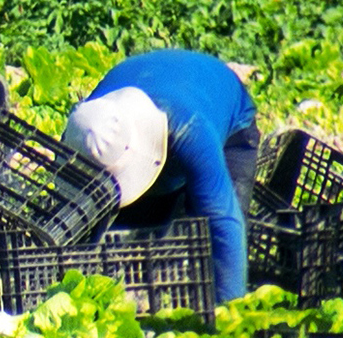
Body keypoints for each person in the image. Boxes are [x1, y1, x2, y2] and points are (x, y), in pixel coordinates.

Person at [63, 49, 260, 303]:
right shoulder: (88, 127)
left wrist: (230, 314)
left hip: (226, 110)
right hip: (151, 76)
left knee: (214, 241)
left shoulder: (190, 128)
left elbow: (223, 219)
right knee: (138, 232)